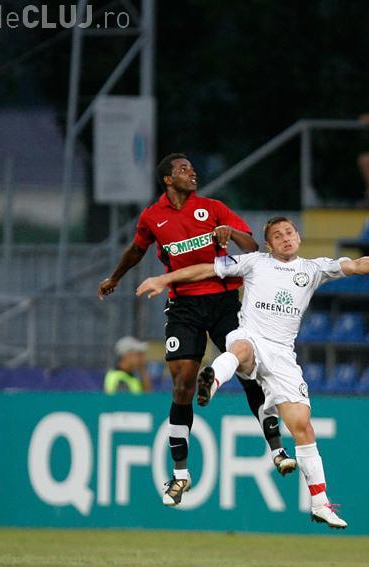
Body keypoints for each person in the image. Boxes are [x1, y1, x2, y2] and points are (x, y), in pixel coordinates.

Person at [137, 215, 369, 529]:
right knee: (240, 349)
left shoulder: (313, 269)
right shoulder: (254, 262)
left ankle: (320, 504)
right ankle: (211, 382)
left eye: (289, 232)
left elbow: (357, 265)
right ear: (268, 245)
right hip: (251, 337)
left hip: (283, 355)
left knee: (302, 427)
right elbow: (205, 269)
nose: (285, 238)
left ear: (298, 237)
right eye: (278, 235)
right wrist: (165, 279)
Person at [98, 153, 293, 508]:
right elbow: (136, 250)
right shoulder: (152, 217)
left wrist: (232, 233)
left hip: (224, 303)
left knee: (249, 371)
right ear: (167, 180)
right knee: (182, 384)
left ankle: (277, 450)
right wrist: (115, 277)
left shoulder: (213, 208)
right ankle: (180, 474)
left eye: (192, 167)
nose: (193, 173)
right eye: (183, 169)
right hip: (184, 306)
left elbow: (252, 248)